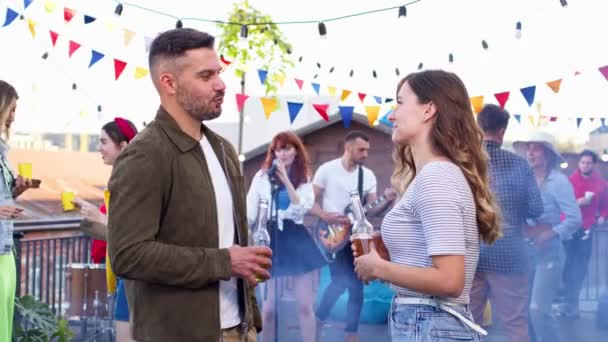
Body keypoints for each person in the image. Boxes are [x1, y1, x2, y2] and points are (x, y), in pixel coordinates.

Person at [106, 28, 270, 342]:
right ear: (169, 83)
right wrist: (224, 261)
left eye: (218, 73)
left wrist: (251, 323)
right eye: (206, 76)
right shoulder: (144, 156)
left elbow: (237, 244)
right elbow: (128, 255)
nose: (221, 84)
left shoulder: (224, 150)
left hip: (237, 331)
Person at [352, 70, 501, 341]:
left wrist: (377, 267)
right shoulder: (434, 175)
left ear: (428, 109)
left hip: (431, 323)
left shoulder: (437, 177)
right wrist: (393, 249)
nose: (392, 115)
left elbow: (449, 281)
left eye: (399, 102)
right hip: (429, 322)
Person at [311, 130, 395, 342]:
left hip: (356, 236)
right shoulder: (326, 170)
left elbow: (372, 210)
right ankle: (319, 320)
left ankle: (350, 334)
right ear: (348, 148)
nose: (366, 153)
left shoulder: (366, 176)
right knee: (340, 282)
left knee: (356, 285)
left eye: (367, 150)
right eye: (361, 149)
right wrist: (324, 215)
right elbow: (308, 200)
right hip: (332, 237)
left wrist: (386, 200)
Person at [470, 104, 543, 342]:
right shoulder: (520, 164)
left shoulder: (466, 163)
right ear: (502, 132)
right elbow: (536, 208)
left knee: (469, 323)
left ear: (478, 128)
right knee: (515, 324)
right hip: (510, 252)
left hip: (471, 252)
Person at [246, 131, 326, 342]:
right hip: (270, 236)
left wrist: (286, 180)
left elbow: (301, 207)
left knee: (304, 305)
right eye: (278, 149)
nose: (282, 154)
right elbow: (250, 211)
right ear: (273, 153)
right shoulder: (262, 176)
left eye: (287, 148)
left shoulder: (304, 176)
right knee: (269, 307)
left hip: (295, 237)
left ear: (296, 151)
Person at [73, 117, 137, 342]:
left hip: (132, 276)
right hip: (124, 274)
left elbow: (135, 230)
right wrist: (92, 215)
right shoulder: (122, 177)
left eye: (104, 142)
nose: (98, 147)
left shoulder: (133, 179)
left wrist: (99, 217)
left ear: (124, 146)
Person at [513, 131, 581, 342]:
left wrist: (551, 232)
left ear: (548, 154)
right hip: (524, 252)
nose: (530, 153)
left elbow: (574, 218)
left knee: (538, 311)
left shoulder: (559, 182)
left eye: (536, 148)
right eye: (528, 148)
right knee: (523, 313)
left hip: (549, 252)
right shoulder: (523, 179)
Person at [0, 80, 38, 342]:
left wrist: (16, 192)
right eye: (12, 108)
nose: (14, 115)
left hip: (4, 249)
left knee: (4, 323)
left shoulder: (3, 152)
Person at [560, 150, 608, 318]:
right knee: (566, 266)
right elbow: (561, 205)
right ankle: (567, 303)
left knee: (579, 268)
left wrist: (602, 217)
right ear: (578, 164)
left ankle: (573, 306)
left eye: (588, 163)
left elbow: (605, 206)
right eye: (583, 162)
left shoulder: (601, 184)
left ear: (594, 164)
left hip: (586, 230)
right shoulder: (569, 182)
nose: (585, 165)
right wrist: (578, 202)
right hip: (568, 228)